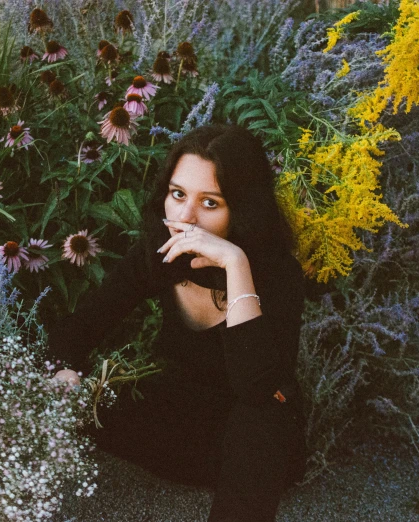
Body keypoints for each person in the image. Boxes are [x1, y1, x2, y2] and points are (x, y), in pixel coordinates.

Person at [46, 124, 306, 522]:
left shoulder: (278, 275)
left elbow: (257, 386)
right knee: (83, 393)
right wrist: (66, 371)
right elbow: (82, 325)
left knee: (264, 412)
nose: (186, 217)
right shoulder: (161, 254)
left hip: (247, 456)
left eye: (211, 203)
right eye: (178, 194)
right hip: (173, 432)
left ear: (243, 209)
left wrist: (237, 265)